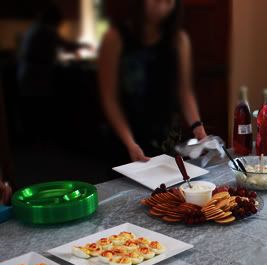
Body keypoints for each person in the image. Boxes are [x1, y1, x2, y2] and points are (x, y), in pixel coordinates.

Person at [98, 0, 207, 163]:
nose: (161, 7)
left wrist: (199, 129)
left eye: (168, 2)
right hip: (125, 136)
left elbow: (185, 92)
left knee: (168, 187)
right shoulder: (114, 39)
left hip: (166, 138)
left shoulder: (179, 40)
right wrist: (130, 143)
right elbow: (110, 99)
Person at [17, 3, 92, 141]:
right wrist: (84, 46)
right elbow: (64, 44)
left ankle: (33, 136)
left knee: (31, 107)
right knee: (38, 107)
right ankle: (39, 137)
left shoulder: (35, 28)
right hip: (36, 75)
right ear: (53, 19)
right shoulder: (45, 30)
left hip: (27, 74)